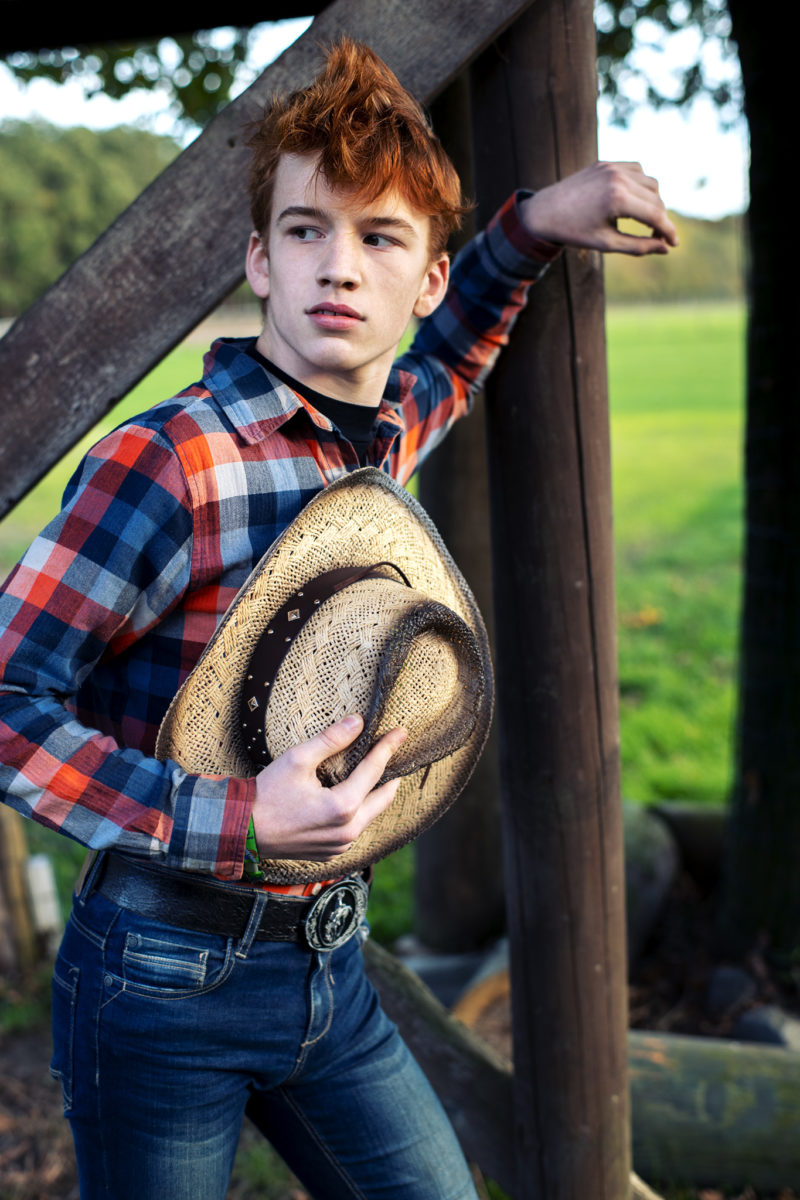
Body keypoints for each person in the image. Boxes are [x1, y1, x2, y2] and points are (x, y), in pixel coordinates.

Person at [0, 37, 677, 1200]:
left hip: (330, 969)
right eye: (308, 231)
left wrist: (538, 222)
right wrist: (230, 816)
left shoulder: (382, 438)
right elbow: (8, 702)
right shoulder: (171, 464)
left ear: (416, 277)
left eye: (379, 239)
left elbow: (460, 339)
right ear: (258, 261)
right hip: (160, 970)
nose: (339, 268)